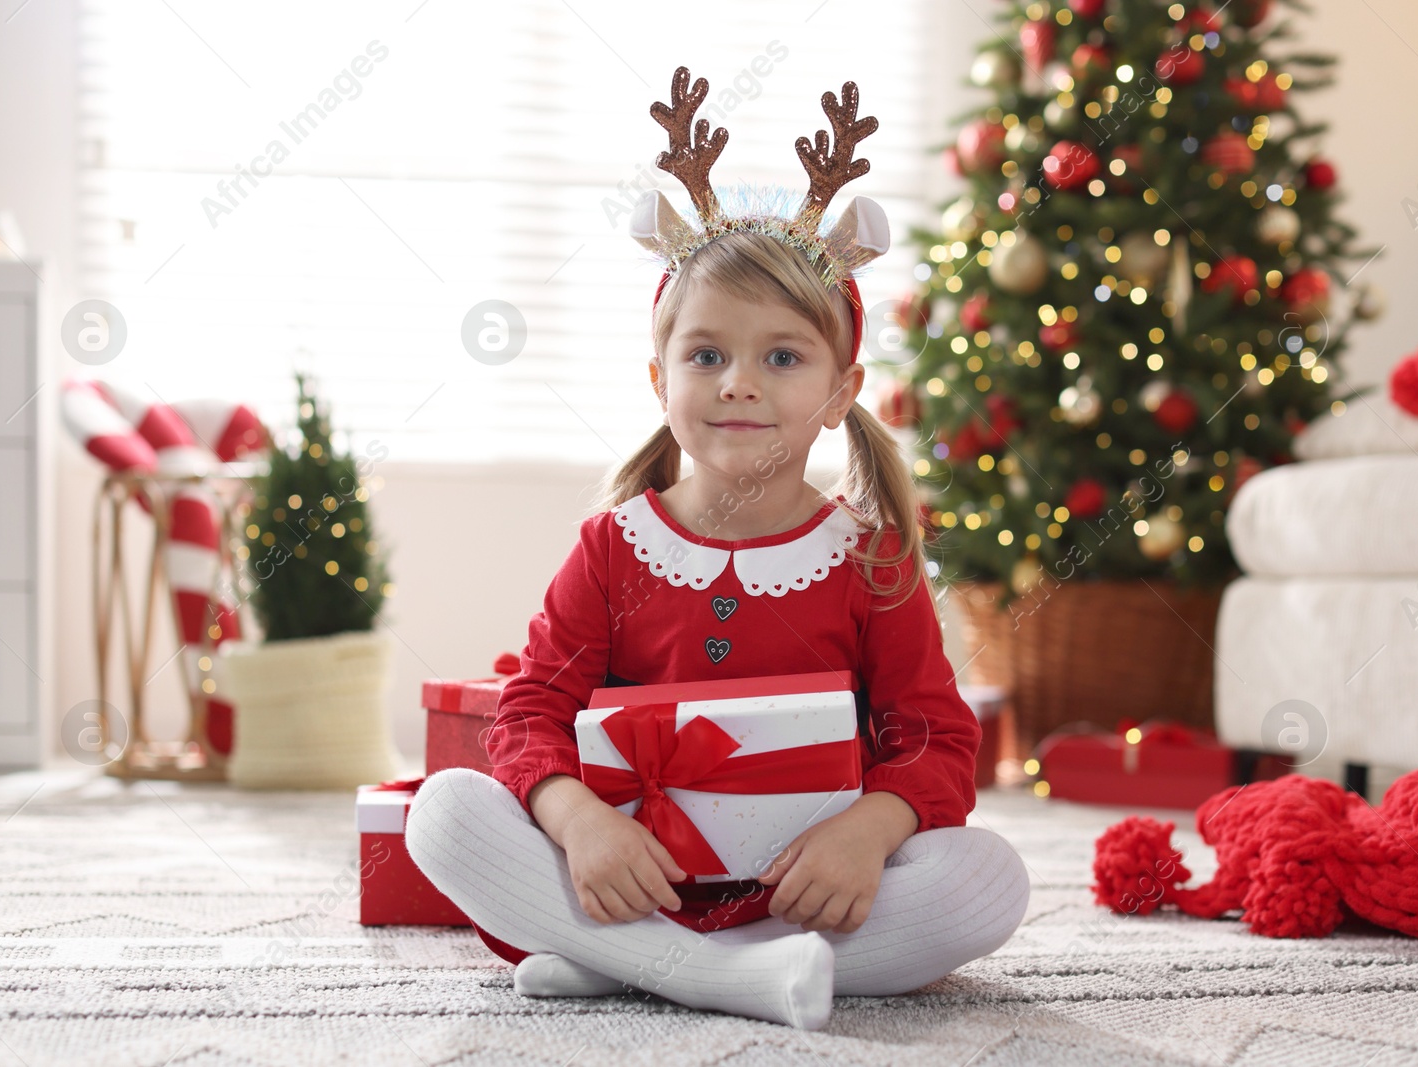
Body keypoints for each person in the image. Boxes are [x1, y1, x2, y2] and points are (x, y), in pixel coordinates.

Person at [406, 67, 1030, 1032]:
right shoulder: (613, 548)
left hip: (801, 888)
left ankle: (638, 968)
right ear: (660, 378)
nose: (740, 382)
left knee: (987, 880)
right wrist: (580, 823)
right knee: (442, 812)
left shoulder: (872, 561)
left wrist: (870, 832)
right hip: (627, 877)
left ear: (838, 391)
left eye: (782, 356)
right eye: (707, 355)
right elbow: (530, 712)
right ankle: (710, 968)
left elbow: (936, 739)